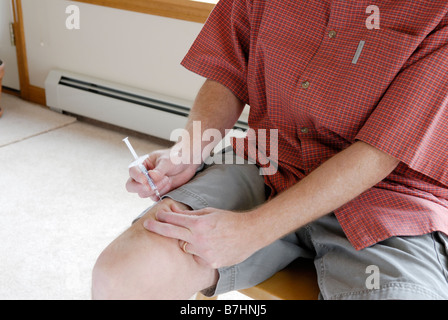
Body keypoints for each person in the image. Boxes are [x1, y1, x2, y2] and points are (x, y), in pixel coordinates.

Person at [92, 0, 448, 300]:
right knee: (121, 275)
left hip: (390, 195)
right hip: (269, 162)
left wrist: (252, 231)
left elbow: (380, 152)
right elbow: (227, 71)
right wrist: (187, 151)